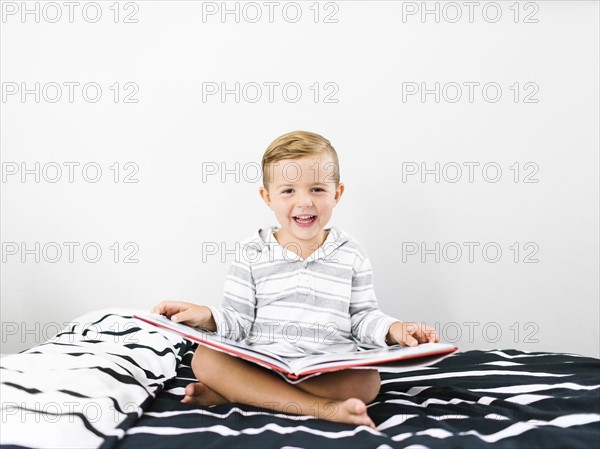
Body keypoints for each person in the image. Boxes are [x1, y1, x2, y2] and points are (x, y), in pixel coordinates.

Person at [152, 130, 439, 428]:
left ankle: (238, 394)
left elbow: (362, 317)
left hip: (327, 369)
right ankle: (323, 409)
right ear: (267, 197)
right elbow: (238, 321)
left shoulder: (351, 253)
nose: (304, 202)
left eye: (317, 189)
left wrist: (394, 329)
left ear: (337, 194)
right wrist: (206, 316)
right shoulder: (252, 251)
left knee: (367, 383)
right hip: (263, 364)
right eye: (288, 191)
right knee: (204, 358)